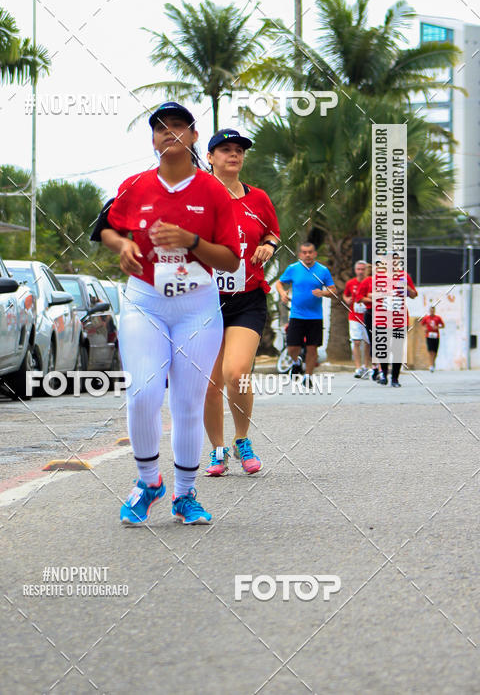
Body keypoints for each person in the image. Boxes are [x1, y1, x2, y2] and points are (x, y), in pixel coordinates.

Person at [101, 102, 240, 525]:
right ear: (154, 138)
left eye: (179, 126)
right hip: (145, 301)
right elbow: (107, 228)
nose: (169, 133)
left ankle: (185, 493)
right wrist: (121, 245)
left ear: (194, 137)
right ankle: (148, 482)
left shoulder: (212, 190)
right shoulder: (134, 185)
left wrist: (190, 240)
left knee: (186, 402)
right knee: (143, 393)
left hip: (196, 306)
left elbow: (232, 260)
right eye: (161, 128)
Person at [202, 129, 280, 477]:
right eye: (225, 150)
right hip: (204, 300)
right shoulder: (197, 196)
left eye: (239, 151)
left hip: (247, 298)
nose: (233, 155)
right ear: (210, 158)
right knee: (209, 381)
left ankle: (242, 438)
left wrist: (269, 246)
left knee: (237, 374)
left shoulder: (258, 198)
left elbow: (272, 232)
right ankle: (217, 450)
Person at [275, 242, 336, 387]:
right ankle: (296, 362)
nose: (307, 255)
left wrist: (323, 293)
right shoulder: (293, 269)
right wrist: (283, 293)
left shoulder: (323, 270)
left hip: (315, 317)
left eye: (310, 252)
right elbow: (279, 283)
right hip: (296, 315)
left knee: (312, 348)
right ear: (300, 254)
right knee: (292, 347)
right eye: (304, 252)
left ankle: (307, 377)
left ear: (315, 254)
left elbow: (333, 290)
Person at [357, 255, 417, 387]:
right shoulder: (376, 278)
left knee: (397, 348)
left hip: (399, 318)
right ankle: (384, 374)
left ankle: (395, 379)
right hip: (381, 318)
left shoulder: (404, 276)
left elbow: (413, 295)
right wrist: (384, 294)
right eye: (388, 260)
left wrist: (406, 288)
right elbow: (368, 295)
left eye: (394, 260)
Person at [343, 260, 371, 378]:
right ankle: (358, 368)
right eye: (358, 269)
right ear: (355, 270)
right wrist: (346, 299)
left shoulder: (370, 282)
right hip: (354, 316)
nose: (360, 272)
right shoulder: (350, 283)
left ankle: (366, 366)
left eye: (363, 269)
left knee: (367, 342)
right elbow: (345, 294)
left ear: (366, 270)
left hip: (367, 316)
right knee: (356, 341)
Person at [419, 305, 444, 371]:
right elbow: (422, 324)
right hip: (429, 336)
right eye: (431, 310)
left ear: (434, 311)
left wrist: (438, 327)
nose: (432, 312)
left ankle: (433, 362)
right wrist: (424, 328)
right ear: (429, 311)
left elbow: (443, 325)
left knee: (435, 352)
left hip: (436, 336)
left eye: (433, 310)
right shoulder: (426, 318)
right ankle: (431, 365)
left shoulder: (438, 318)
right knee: (431, 351)